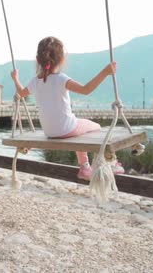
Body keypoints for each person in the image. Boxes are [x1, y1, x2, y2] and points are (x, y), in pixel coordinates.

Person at [10, 36, 122, 180]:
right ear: (62, 59)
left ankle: (86, 166)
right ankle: (102, 163)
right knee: (96, 127)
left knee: (78, 131)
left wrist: (15, 78)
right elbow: (86, 89)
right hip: (67, 129)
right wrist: (105, 72)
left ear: (38, 60)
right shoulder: (61, 79)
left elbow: (21, 92)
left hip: (50, 131)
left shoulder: (34, 81)